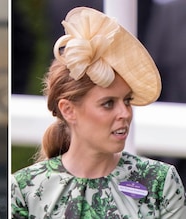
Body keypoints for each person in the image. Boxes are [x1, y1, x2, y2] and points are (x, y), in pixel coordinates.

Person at [11, 7, 186, 218]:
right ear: (68, 110)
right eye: (108, 103)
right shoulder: (24, 189)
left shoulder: (159, 181)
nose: (125, 113)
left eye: (127, 101)